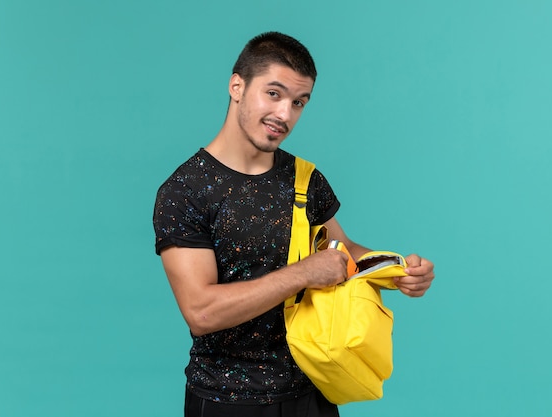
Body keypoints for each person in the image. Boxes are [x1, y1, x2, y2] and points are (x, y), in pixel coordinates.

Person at [153, 31, 435, 417]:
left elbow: (342, 251)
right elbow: (201, 312)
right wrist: (302, 274)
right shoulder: (186, 190)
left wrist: (396, 269)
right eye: (274, 93)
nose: (285, 114)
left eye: (298, 102)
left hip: (313, 392)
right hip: (226, 401)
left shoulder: (304, 179)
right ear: (237, 86)